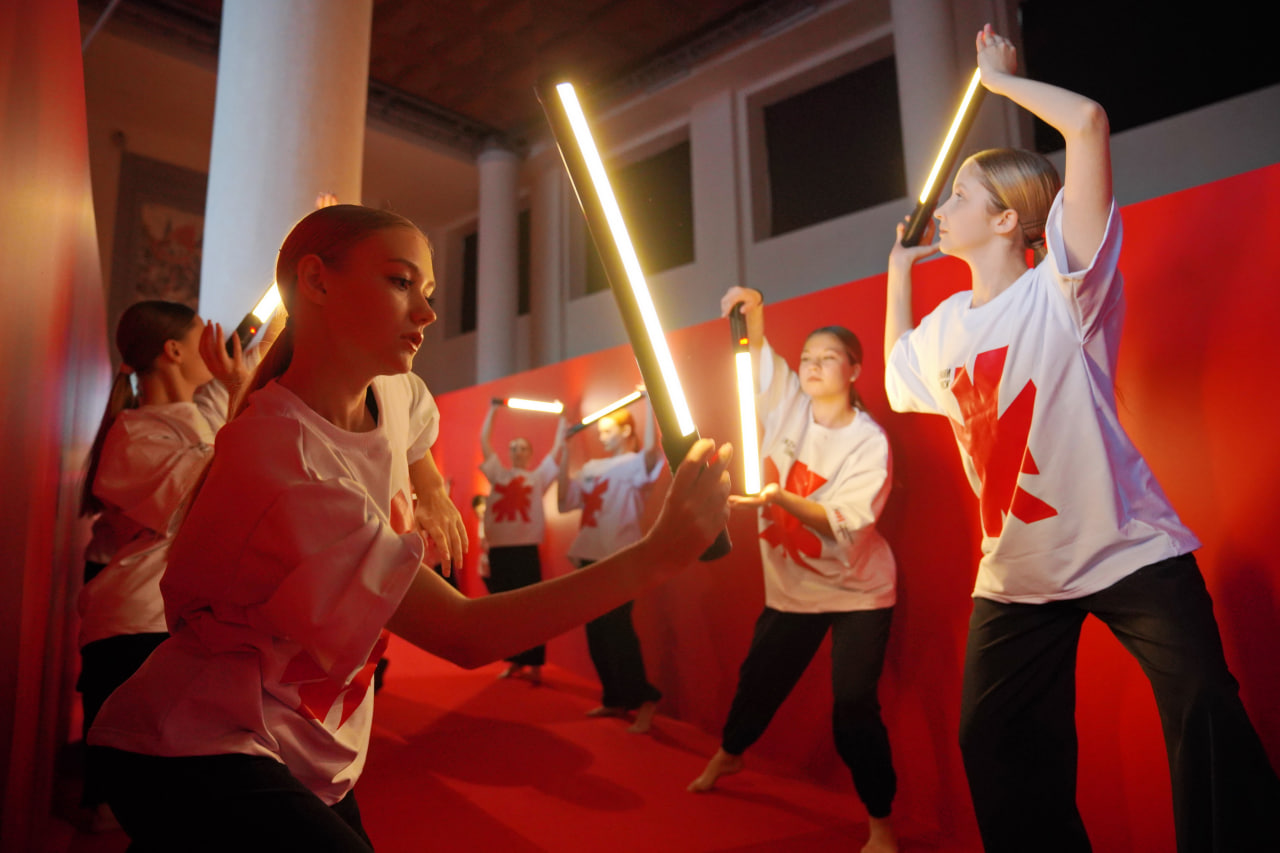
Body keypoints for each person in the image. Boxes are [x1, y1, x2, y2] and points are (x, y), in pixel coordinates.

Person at [86, 204, 732, 852]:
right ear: (316, 281)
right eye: (400, 282)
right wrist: (657, 555)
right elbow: (463, 632)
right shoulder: (282, 459)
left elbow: (415, 429)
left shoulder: (393, 392)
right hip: (200, 745)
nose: (427, 313)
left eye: (428, 290)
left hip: (305, 746)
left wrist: (432, 493)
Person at [883, 25, 1280, 853]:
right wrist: (896, 277)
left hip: (1124, 547)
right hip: (1017, 574)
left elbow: (1088, 124)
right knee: (992, 742)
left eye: (959, 196)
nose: (940, 209)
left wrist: (999, 82)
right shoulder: (946, 325)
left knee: (1205, 705)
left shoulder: (1065, 287)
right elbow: (894, 377)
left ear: (1006, 219)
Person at [688, 287, 899, 853]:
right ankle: (731, 753)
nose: (812, 365)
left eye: (828, 357)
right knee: (758, 682)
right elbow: (755, 354)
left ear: (854, 370)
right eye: (807, 357)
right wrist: (750, 308)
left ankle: (881, 823)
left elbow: (845, 524)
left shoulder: (869, 442)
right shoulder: (788, 405)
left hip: (858, 591)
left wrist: (780, 497)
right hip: (792, 589)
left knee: (853, 708)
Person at [76, 300, 253, 829]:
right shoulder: (134, 433)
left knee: (179, 798)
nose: (213, 348)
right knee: (132, 804)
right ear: (174, 351)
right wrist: (237, 391)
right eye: (202, 336)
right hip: (137, 625)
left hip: (175, 621)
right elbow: (215, 490)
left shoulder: (197, 414)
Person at [558, 398, 665, 733]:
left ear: (626, 431)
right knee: (597, 632)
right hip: (589, 554)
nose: (602, 436)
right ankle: (614, 698)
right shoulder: (591, 467)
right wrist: (564, 451)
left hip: (620, 555)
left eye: (608, 430)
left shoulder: (636, 463)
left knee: (618, 628)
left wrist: (650, 402)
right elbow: (564, 502)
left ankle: (645, 697)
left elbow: (652, 450)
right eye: (600, 431)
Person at [478, 403, 566, 683]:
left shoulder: (537, 477)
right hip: (499, 550)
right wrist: (493, 410)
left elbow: (557, 450)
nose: (517, 452)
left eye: (523, 448)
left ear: (530, 454)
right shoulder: (498, 474)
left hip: (526, 549)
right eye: (513, 448)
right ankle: (514, 660)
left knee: (531, 608)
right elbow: (484, 441)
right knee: (505, 610)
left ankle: (535, 663)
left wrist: (563, 418)